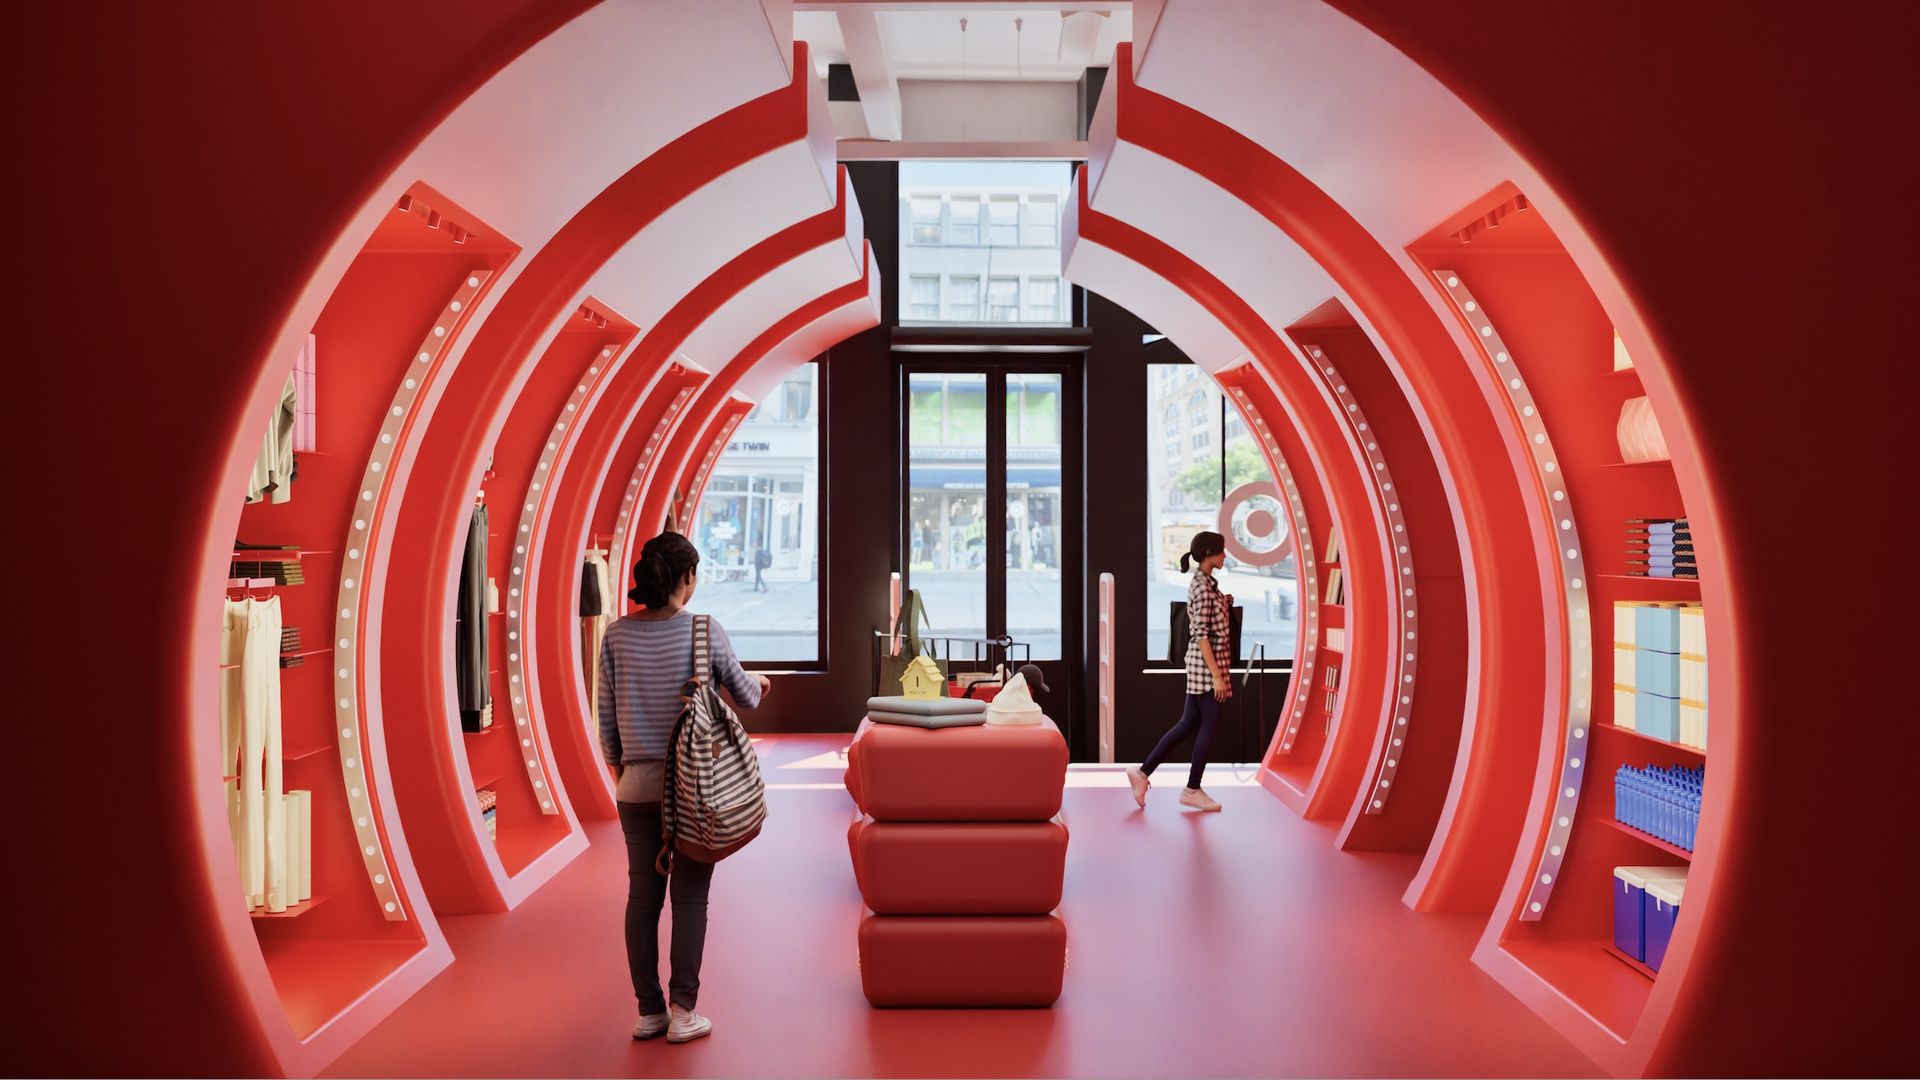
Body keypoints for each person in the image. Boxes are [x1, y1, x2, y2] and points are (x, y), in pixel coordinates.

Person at [598, 532, 770, 1043]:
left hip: (637, 787)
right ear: (686, 578)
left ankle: (648, 1011)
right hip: (695, 791)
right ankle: (683, 1012)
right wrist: (759, 683)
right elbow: (745, 697)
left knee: (642, 898)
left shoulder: (615, 636)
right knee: (691, 899)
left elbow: (607, 725)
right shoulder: (704, 631)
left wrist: (624, 773)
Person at [1128, 530, 1232, 812]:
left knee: (1188, 724)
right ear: (1210, 553)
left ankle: (1142, 773)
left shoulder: (1207, 584)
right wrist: (1217, 677)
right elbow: (1200, 634)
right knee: (1209, 727)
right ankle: (1192, 788)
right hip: (1206, 669)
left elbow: (1207, 622)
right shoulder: (1201, 586)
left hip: (1203, 667)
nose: (1225, 555)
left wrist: (1224, 603)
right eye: (1222, 551)